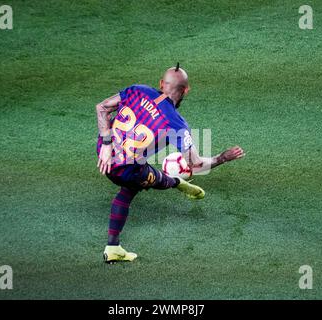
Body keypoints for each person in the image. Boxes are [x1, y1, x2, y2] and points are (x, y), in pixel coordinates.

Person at [96, 64, 245, 263]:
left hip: (103, 156)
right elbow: (196, 166)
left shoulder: (137, 89)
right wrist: (223, 158)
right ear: (186, 90)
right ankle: (177, 183)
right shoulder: (177, 124)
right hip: (126, 171)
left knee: (134, 182)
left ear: (161, 84)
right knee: (138, 184)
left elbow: (102, 107)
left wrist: (106, 144)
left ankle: (114, 247)